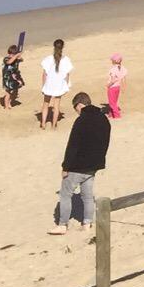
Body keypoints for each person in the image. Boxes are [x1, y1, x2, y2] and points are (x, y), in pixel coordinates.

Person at [49, 91, 111, 235]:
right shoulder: (103, 118)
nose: (76, 112)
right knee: (88, 196)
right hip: (94, 164)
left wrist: (65, 166)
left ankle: (63, 224)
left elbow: (73, 145)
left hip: (78, 165)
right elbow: (105, 141)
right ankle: (87, 223)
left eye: (75, 108)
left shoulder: (81, 120)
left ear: (79, 105)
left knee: (65, 194)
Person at [38, 39, 74, 130]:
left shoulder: (49, 59)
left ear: (54, 47)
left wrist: (43, 86)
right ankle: (54, 125)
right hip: (59, 84)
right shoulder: (66, 59)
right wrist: (66, 85)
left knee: (46, 104)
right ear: (62, 47)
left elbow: (44, 74)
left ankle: (43, 123)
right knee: (56, 105)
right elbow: (67, 74)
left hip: (49, 84)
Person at [0, 43, 24, 110]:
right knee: (8, 92)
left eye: (12, 54)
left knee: (16, 91)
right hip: (7, 78)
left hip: (15, 77)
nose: (10, 55)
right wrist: (16, 56)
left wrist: (19, 57)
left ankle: (10, 102)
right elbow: (9, 62)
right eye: (10, 54)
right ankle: (6, 106)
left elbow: (22, 60)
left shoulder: (16, 59)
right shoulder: (6, 59)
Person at [105, 53, 125, 119]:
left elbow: (113, 80)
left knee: (112, 103)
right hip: (117, 87)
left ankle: (117, 116)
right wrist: (123, 87)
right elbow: (122, 78)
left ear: (113, 61)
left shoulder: (113, 69)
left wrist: (107, 85)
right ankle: (111, 114)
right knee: (114, 102)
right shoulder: (121, 68)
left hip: (112, 88)